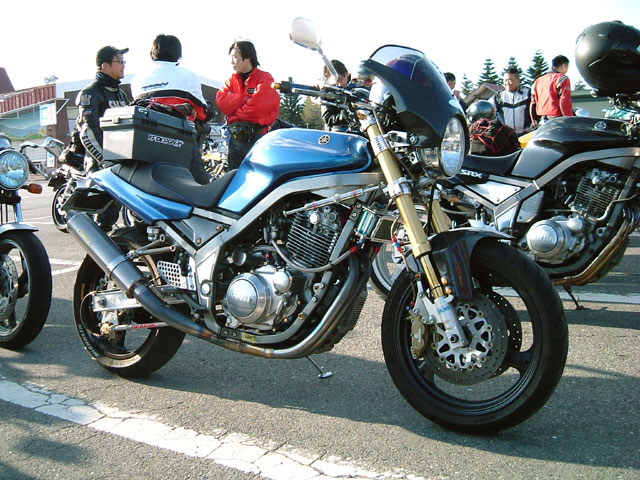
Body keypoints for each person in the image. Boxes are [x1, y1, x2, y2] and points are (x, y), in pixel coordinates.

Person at [131, 34, 211, 184]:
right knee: (201, 186)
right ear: (177, 53)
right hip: (181, 141)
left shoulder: (137, 80)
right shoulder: (187, 76)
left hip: (146, 144)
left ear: (153, 52)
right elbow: (202, 112)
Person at [66, 45, 130, 230]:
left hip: (120, 159)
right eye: (119, 61)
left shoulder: (121, 94)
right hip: (99, 161)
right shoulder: (90, 93)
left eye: (123, 61)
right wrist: (106, 160)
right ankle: (98, 246)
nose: (123, 65)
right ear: (105, 65)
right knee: (106, 213)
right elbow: (88, 131)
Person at [215, 40, 280, 171]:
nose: (232, 62)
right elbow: (221, 102)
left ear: (248, 57)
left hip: (257, 138)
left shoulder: (265, 78)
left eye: (235, 57)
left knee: (258, 175)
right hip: (235, 138)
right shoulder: (231, 81)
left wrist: (234, 114)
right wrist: (244, 99)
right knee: (233, 175)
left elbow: (258, 108)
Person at [530, 55, 574, 126]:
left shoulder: (537, 81)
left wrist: (534, 121)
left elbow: (533, 103)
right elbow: (565, 101)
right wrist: (569, 120)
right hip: (557, 119)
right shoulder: (562, 78)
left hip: (542, 120)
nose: (567, 71)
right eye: (567, 68)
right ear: (563, 66)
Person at [491, 67, 532, 135]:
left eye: (510, 80)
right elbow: (495, 116)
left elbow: (536, 113)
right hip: (507, 136)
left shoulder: (528, 94)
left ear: (518, 80)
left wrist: (530, 128)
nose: (507, 83)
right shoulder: (498, 97)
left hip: (526, 134)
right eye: (505, 80)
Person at [321, 59, 351, 131]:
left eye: (339, 79)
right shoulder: (327, 93)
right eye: (334, 81)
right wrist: (344, 116)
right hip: (338, 132)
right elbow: (327, 118)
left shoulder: (355, 89)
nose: (338, 84)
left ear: (346, 74)